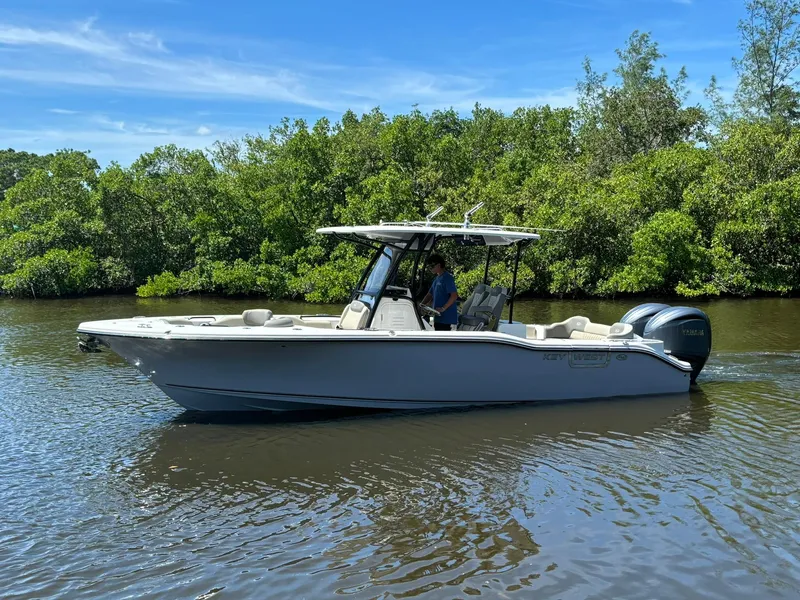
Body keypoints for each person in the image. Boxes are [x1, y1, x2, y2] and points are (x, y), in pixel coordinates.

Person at [421, 254, 459, 331]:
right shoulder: (437, 279)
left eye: (431, 266)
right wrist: (421, 305)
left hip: (446, 319)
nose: (430, 268)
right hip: (438, 317)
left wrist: (443, 308)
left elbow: (454, 296)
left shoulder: (448, 278)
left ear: (438, 265)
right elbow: (429, 294)